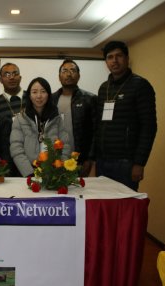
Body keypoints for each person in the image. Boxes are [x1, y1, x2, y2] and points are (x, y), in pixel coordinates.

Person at [90, 41, 157, 191]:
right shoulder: (103, 88)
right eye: (110, 57)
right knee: (105, 207)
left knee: (124, 208)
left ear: (127, 58)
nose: (114, 61)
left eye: (119, 56)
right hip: (103, 161)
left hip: (127, 163)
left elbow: (149, 127)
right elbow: (98, 126)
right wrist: (95, 160)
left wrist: (139, 163)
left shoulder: (140, 86)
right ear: (106, 62)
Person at [10, 77, 71, 177]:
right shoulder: (20, 119)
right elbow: (16, 149)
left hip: (53, 172)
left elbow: (66, 145)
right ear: (29, 95)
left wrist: (59, 167)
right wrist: (29, 173)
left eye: (43, 91)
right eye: (34, 92)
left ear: (49, 94)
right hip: (27, 173)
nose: (39, 96)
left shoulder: (57, 118)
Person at [51, 59, 97, 176]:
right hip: (54, 158)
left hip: (80, 160)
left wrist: (90, 159)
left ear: (78, 75)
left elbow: (96, 131)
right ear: (59, 76)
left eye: (72, 70)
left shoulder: (89, 99)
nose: (68, 74)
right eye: (64, 70)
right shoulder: (51, 99)